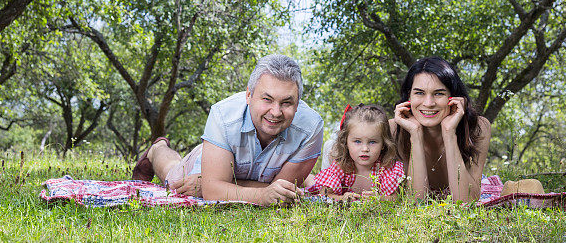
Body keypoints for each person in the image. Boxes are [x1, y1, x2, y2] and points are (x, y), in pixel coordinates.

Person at [132, 54, 323, 206]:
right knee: (173, 177)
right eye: (267, 99)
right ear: (249, 95)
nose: (275, 112)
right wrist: (216, 186)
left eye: (287, 102)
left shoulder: (311, 128)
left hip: (230, 173)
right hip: (217, 154)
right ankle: (158, 150)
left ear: (298, 104)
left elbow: (281, 191)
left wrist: (217, 184)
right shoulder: (223, 115)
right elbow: (214, 192)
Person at [391, 56, 491, 202]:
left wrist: (449, 133)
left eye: (439, 93)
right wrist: (416, 135)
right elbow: (416, 202)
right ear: (409, 96)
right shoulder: (393, 129)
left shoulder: (479, 127)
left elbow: (466, 202)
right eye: (419, 93)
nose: (429, 103)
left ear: (454, 97)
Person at [307, 104, 405, 201]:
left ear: (383, 144)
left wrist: (380, 198)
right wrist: (342, 198)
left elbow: (396, 197)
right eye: (357, 141)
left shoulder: (386, 169)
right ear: (346, 143)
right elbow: (325, 195)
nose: (365, 149)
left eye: (372, 142)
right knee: (311, 183)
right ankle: (307, 179)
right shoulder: (341, 167)